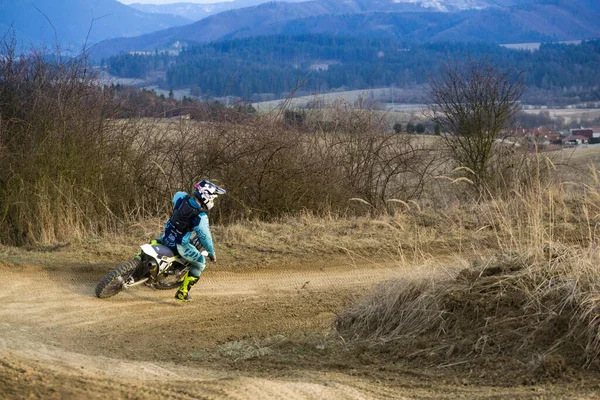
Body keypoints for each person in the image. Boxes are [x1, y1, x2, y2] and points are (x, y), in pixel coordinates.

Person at [158, 179, 226, 301]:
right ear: (206, 196)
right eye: (212, 198)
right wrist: (211, 253)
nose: (212, 201)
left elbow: (177, 196)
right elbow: (205, 238)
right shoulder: (200, 216)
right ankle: (182, 293)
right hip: (180, 245)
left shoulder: (181, 197)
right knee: (200, 263)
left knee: (155, 242)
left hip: (167, 235)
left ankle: (138, 260)